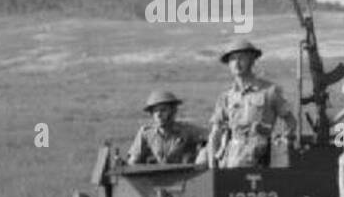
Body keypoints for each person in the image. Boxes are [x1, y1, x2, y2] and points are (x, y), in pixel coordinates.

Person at [207, 36, 298, 168]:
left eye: (241, 58)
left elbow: (291, 122)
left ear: (252, 60)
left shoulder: (269, 91)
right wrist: (212, 164)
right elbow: (215, 133)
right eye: (232, 59)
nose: (237, 63)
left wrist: (279, 143)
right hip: (232, 153)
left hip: (261, 152)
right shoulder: (226, 97)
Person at [126, 89, 206, 165]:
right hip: (157, 175)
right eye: (155, 111)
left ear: (173, 112)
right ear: (152, 115)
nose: (159, 115)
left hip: (184, 175)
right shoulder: (146, 133)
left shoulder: (187, 130)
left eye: (163, 110)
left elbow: (212, 136)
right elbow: (133, 160)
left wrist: (203, 153)